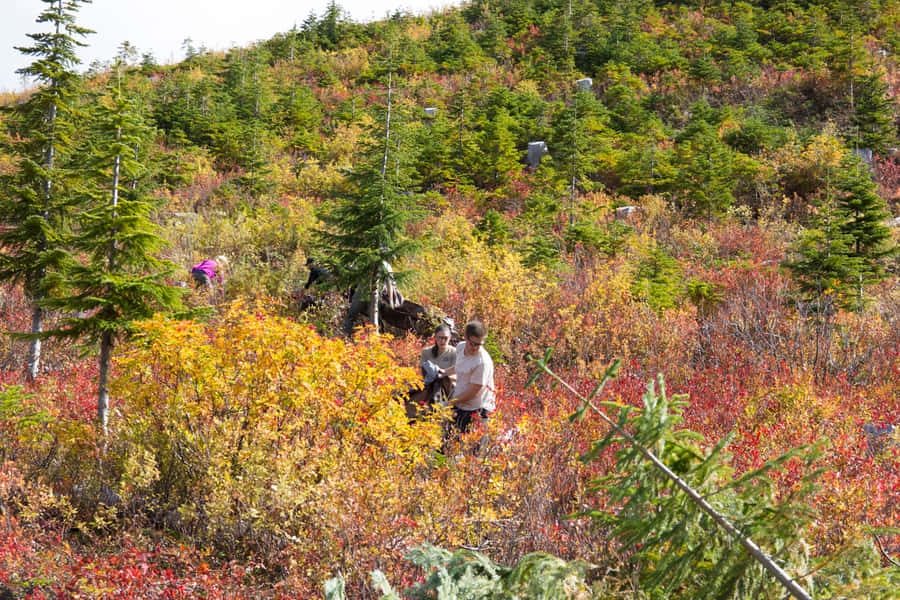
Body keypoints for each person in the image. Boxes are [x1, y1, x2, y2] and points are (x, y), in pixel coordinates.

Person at [446, 320, 495, 435]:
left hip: (477, 410)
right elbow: (458, 367)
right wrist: (441, 373)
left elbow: (474, 391)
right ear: (466, 337)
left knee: (468, 448)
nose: (475, 348)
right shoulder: (460, 347)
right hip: (460, 404)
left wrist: (450, 403)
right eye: (472, 343)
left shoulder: (482, 362)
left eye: (479, 344)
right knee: (447, 442)